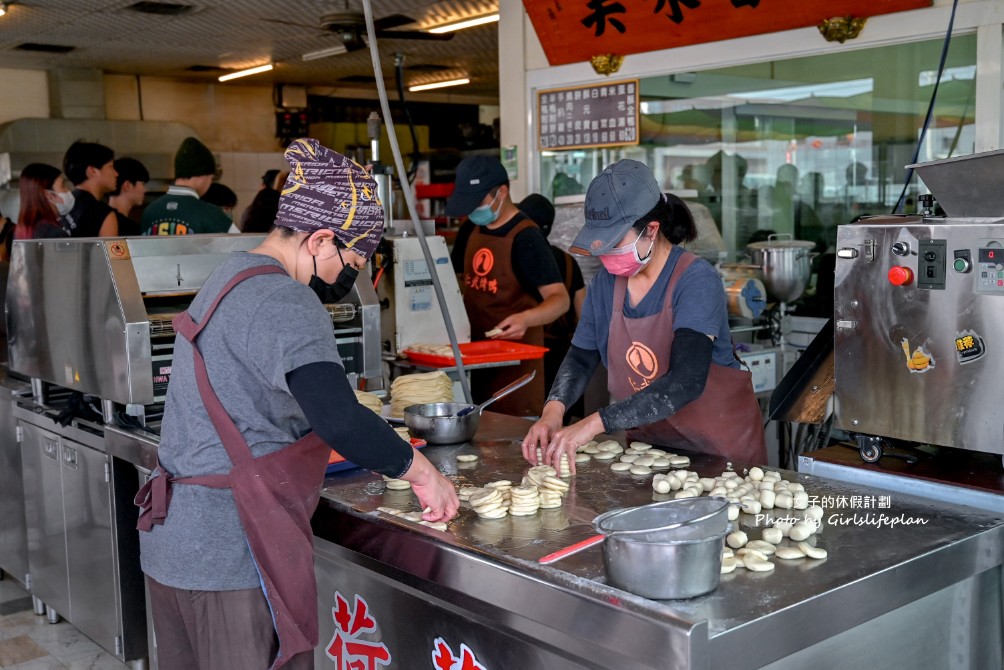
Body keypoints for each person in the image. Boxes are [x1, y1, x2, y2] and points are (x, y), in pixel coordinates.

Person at [135, 138, 458, 670]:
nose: (350, 274)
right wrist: (423, 474)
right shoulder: (288, 299)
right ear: (322, 239)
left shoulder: (229, 275)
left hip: (175, 547)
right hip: (230, 558)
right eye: (354, 258)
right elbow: (337, 418)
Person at [522, 159, 767, 471]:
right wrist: (552, 412)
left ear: (651, 230)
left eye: (614, 243)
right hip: (652, 454)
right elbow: (581, 356)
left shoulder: (695, 279)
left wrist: (594, 423)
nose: (605, 254)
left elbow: (685, 381)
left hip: (720, 455)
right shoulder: (605, 284)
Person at [446, 156, 570, 416]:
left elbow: (560, 299)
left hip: (516, 371)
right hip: (473, 363)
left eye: (477, 202)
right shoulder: (470, 230)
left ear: (502, 192)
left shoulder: (527, 238)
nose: (472, 210)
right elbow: (457, 280)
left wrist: (526, 318)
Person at [517, 193, 586, 419]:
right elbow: (583, 315)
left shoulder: (520, 256)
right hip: (563, 361)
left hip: (527, 359)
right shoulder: (567, 261)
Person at [141, 136, 232, 235]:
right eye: (210, 178)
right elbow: (242, 246)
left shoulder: (149, 212)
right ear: (203, 176)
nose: (210, 183)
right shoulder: (212, 214)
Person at [61, 141, 119, 237]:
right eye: (111, 167)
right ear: (92, 171)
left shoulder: (59, 206)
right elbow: (113, 251)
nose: (116, 173)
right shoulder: (102, 214)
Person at [15, 163, 72, 240]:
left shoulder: (20, 231)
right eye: (62, 186)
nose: (67, 190)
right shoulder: (54, 234)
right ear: (48, 194)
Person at [108, 157, 150, 236]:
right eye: (142, 184)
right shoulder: (130, 229)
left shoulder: (98, 220)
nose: (145, 190)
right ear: (127, 185)